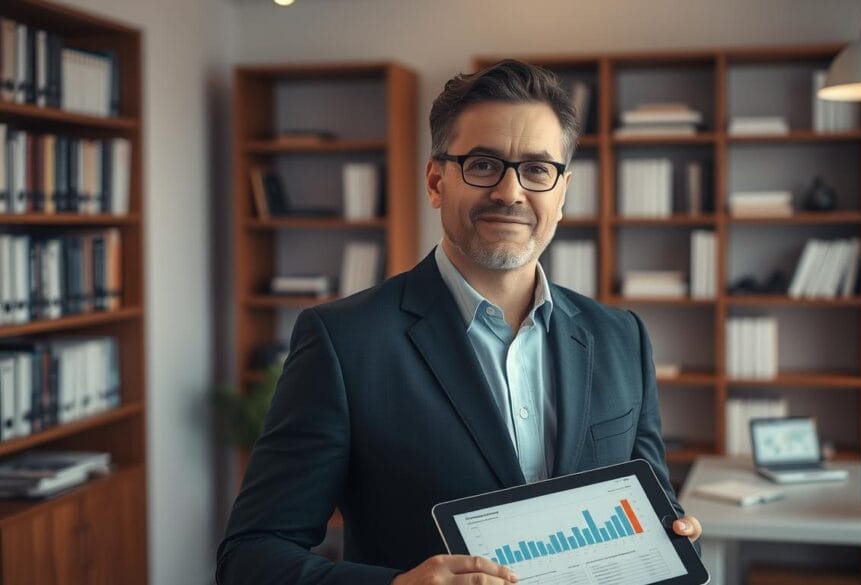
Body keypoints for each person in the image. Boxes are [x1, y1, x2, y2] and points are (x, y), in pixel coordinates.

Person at [217, 59, 702, 585]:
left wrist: (671, 535)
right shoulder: (344, 342)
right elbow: (251, 556)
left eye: (538, 170)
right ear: (435, 181)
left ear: (561, 194)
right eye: (483, 164)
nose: (511, 193)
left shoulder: (621, 337)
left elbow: (652, 507)